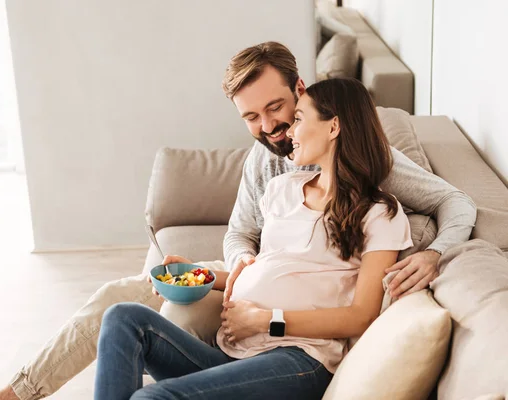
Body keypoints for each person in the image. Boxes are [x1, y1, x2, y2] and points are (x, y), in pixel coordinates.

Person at [0, 42, 476, 400]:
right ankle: (13, 396)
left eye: (278, 109)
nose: (268, 127)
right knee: (121, 306)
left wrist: (433, 252)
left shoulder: (365, 164)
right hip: (253, 272)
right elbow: (241, 232)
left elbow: (454, 204)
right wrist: (235, 266)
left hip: (302, 328)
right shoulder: (274, 171)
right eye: (251, 118)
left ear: (304, 95)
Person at [93, 78, 414, 399]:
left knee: (151, 398)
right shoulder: (283, 189)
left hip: (299, 359)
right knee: (123, 317)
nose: (289, 132)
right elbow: (269, 267)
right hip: (235, 351)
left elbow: (362, 316)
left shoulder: (379, 212)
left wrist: (267, 322)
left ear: (333, 127)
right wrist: (198, 275)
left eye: (299, 119)